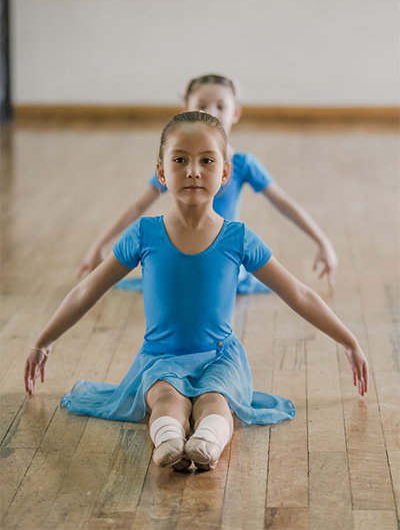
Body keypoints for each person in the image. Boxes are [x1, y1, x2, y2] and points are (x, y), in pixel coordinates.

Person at [25, 112, 367, 473]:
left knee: (216, 399)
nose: (193, 170)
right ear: (161, 172)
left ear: (224, 174)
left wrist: (349, 341)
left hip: (220, 356)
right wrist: (43, 340)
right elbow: (87, 290)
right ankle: (169, 437)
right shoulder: (144, 234)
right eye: (180, 160)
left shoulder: (238, 237)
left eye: (206, 160)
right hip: (160, 356)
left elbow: (298, 293)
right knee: (164, 397)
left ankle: (207, 441)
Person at [78, 74, 338, 293]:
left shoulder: (244, 164)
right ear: (186, 110)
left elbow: (284, 204)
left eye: (221, 106)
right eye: (201, 104)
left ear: (235, 113)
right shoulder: (177, 167)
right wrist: (97, 246)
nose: (210, 113)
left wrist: (323, 242)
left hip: (224, 261)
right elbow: (137, 207)